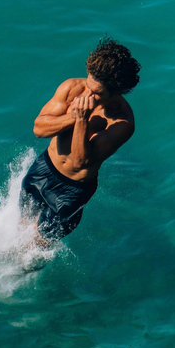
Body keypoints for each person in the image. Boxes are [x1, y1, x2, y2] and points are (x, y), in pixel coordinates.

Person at [19, 37, 141, 245]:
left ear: (115, 92)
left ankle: (18, 275)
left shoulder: (122, 123)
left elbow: (80, 162)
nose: (88, 94)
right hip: (44, 167)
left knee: (39, 246)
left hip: (71, 190)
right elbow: (39, 129)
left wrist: (83, 121)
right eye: (88, 83)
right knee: (22, 223)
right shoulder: (72, 87)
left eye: (97, 93)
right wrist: (73, 117)